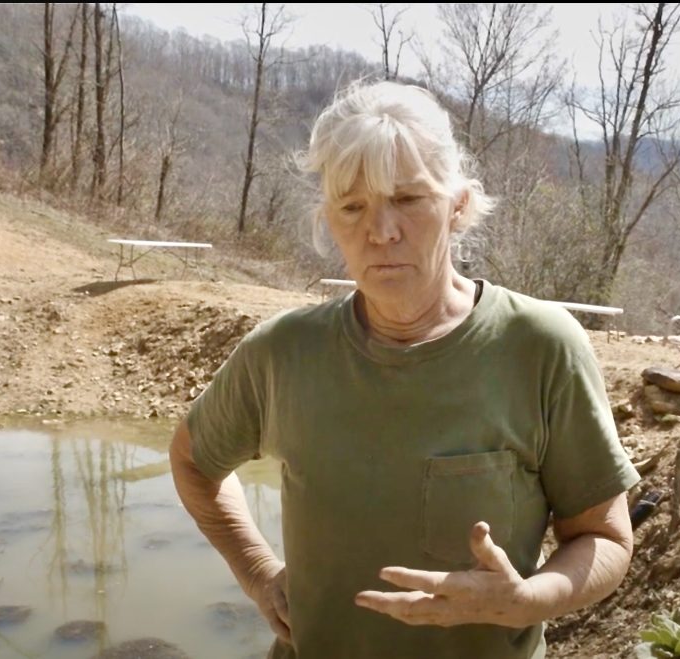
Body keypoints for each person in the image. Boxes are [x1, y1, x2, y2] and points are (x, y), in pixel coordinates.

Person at [169, 80, 640, 659]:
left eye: (409, 199)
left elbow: (606, 538)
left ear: (458, 204)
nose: (381, 230)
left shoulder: (540, 347)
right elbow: (193, 459)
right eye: (352, 207)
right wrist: (257, 570)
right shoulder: (284, 353)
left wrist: (529, 599)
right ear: (329, 222)